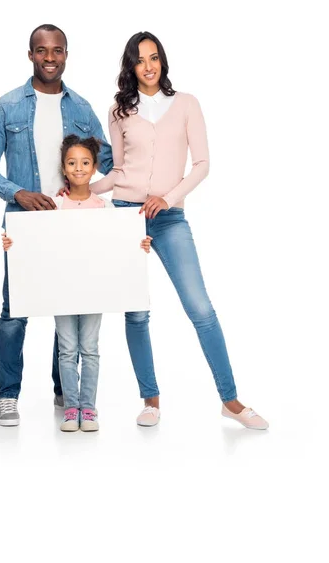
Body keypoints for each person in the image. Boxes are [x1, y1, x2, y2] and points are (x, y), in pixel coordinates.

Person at [90, 31, 269, 430]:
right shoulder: (119, 111)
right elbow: (118, 171)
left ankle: (231, 400)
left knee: (201, 309)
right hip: (126, 214)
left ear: (163, 61)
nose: (149, 66)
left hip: (169, 217)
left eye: (154, 57)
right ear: (130, 66)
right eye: (140, 60)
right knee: (137, 313)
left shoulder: (187, 104)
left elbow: (202, 164)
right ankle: (150, 400)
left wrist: (167, 199)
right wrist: (84, 189)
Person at [0, 24, 113, 427]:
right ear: (30, 54)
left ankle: (65, 392)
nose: (49, 58)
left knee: (66, 303)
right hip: (24, 224)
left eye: (57, 51)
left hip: (73, 223)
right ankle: (7, 395)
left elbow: (103, 163)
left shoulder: (82, 108)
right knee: (15, 311)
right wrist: (17, 193)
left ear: (66, 54)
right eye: (41, 50)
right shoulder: (7, 106)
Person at [2, 134, 152, 431]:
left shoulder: (105, 208)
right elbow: (37, 243)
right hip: (62, 290)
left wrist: (139, 243)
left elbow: (118, 244)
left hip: (94, 290)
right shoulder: (54, 205)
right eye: (72, 163)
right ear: (64, 167)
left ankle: (89, 408)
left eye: (85, 162)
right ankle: (71, 408)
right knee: (68, 349)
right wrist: (14, 244)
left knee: (90, 348)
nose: (79, 168)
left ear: (95, 166)